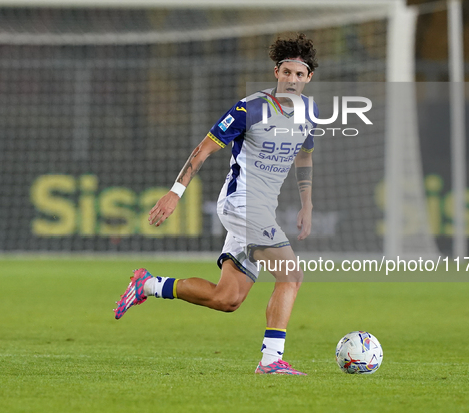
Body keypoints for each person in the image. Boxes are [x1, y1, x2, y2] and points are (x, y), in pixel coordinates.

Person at [114, 33, 319, 375]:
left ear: (308, 77)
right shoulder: (250, 108)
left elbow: (305, 153)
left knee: (228, 299)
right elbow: (203, 149)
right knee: (291, 275)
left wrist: (307, 203)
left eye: (300, 75)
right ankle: (271, 361)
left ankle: (147, 284)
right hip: (241, 204)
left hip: (261, 211)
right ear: (276, 73)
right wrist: (174, 193)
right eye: (287, 73)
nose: (293, 80)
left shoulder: (310, 112)